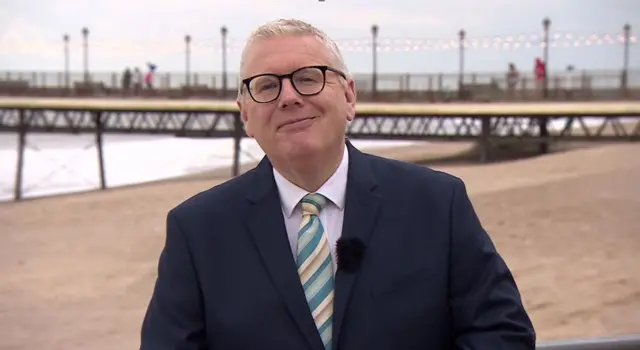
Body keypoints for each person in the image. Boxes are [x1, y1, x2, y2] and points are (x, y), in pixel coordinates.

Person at [140, 19, 536, 350]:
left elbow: (503, 335)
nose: (289, 97)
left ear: (349, 96)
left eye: (309, 78)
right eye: (266, 86)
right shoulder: (198, 230)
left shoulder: (436, 203)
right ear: (245, 114)